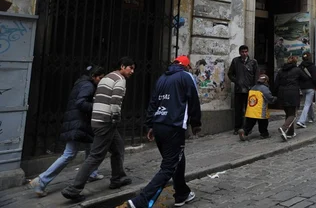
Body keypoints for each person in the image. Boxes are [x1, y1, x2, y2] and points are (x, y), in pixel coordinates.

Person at [126, 56, 201, 208]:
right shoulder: (186, 76)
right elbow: (193, 99)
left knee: (176, 160)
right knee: (169, 166)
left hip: (159, 124)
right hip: (174, 125)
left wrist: (150, 125)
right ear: (186, 66)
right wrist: (196, 123)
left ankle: (182, 194)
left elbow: (154, 102)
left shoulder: (162, 78)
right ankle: (142, 200)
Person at [62, 57, 136, 202]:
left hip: (97, 120)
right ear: (122, 66)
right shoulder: (120, 80)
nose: (132, 71)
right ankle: (74, 189)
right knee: (95, 156)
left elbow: (96, 98)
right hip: (106, 122)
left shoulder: (107, 77)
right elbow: (116, 101)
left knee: (118, 147)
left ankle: (118, 178)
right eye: (130, 68)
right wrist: (115, 118)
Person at [29, 65, 106, 197]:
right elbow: (80, 103)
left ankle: (92, 173)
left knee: (91, 147)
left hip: (77, 122)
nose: (100, 80)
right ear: (93, 76)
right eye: (99, 78)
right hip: (78, 124)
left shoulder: (80, 83)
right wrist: (97, 106)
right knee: (69, 154)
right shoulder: (88, 86)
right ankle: (41, 181)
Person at [227, 45, 258, 135]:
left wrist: (254, 86)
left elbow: (256, 74)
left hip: (250, 89)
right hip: (239, 89)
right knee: (238, 110)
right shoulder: (236, 61)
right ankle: (237, 127)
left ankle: (247, 128)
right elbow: (230, 73)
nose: (244, 53)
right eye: (243, 52)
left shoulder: (253, 62)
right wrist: (236, 81)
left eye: (246, 52)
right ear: (240, 52)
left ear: (247, 52)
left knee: (249, 110)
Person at [238, 74, 276, 141]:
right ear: (266, 81)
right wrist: (275, 99)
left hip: (251, 110)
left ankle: (244, 132)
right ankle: (264, 134)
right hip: (260, 110)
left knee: (249, 123)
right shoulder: (264, 89)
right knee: (263, 123)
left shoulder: (253, 87)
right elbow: (270, 99)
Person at [273, 56, 303, 141]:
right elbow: (304, 79)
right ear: (295, 62)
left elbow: (276, 84)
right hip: (292, 93)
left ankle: (290, 133)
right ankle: (284, 128)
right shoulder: (297, 70)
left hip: (282, 93)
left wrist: (275, 95)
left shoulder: (280, 71)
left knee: (288, 113)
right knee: (293, 114)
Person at [296, 52, 316, 128]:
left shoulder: (300, 67)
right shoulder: (312, 66)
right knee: (307, 104)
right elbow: (315, 78)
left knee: (309, 102)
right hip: (310, 87)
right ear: (310, 57)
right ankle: (301, 121)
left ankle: (311, 117)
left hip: (303, 88)